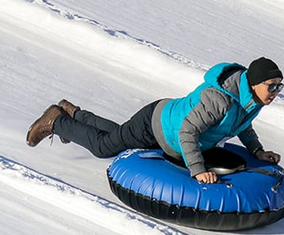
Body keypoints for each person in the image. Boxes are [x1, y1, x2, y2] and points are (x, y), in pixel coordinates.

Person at [26, 57, 282, 183]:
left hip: (164, 122)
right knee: (104, 147)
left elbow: (242, 125)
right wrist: (198, 170)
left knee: (118, 134)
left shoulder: (250, 101)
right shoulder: (220, 100)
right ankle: (55, 121)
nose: (275, 93)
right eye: (272, 86)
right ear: (254, 83)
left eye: (279, 87)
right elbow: (187, 132)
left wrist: (257, 151)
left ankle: (73, 113)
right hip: (156, 125)